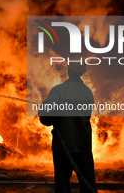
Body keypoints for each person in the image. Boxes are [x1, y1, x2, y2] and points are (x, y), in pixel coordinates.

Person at [39, 60, 97, 193]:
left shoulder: (58, 91)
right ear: (83, 72)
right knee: (87, 182)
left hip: (63, 146)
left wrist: (43, 110)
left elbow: (46, 119)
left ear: (69, 71)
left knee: (62, 183)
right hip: (83, 145)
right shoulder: (87, 92)